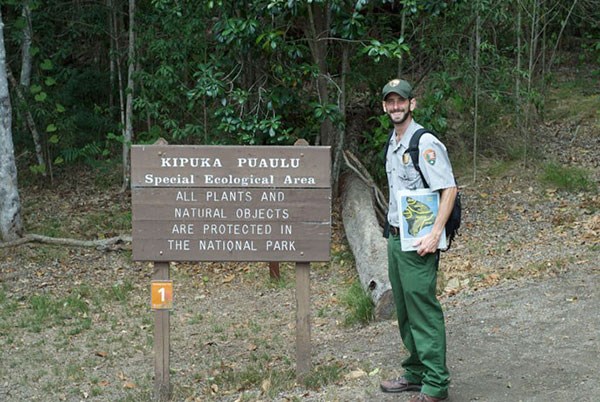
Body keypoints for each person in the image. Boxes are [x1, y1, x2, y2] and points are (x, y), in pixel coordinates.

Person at [378, 78, 457, 402]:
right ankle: (416, 372)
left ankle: (436, 385)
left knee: (423, 310)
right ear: (385, 106)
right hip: (397, 239)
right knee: (406, 311)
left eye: (402, 101)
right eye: (390, 102)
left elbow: (449, 189)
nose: (396, 106)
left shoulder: (423, 143)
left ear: (412, 104)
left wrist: (436, 233)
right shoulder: (393, 142)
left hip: (421, 242)